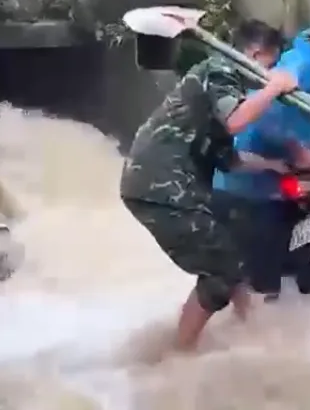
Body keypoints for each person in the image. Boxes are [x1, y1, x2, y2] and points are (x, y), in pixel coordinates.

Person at [120, 19, 295, 353]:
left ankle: (254, 332)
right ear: (256, 54)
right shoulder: (220, 69)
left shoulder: (220, 81)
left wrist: (274, 165)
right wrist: (273, 88)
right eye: (270, 64)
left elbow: (231, 160)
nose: (268, 72)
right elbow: (236, 121)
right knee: (221, 271)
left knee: (231, 258)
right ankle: (181, 357)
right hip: (160, 183)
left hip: (162, 183)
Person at [214, 12, 310, 299]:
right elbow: (266, 117)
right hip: (249, 186)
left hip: (257, 179)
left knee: (261, 278)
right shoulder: (306, 66)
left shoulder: (301, 60)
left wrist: (304, 154)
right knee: (261, 284)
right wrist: (299, 152)